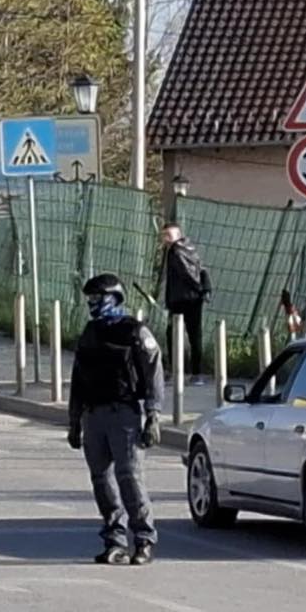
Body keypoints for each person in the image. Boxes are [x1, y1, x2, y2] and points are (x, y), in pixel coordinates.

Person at [67, 273, 163, 565]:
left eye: (97, 298)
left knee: (129, 477)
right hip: (93, 416)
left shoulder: (134, 331)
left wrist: (153, 415)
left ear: (114, 298)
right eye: (90, 299)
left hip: (124, 414)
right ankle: (114, 540)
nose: (92, 304)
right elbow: (78, 379)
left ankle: (144, 539)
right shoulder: (90, 332)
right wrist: (74, 420)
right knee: (102, 480)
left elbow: (153, 373)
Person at [160, 222, 212, 386]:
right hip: (195, 300)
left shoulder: (174, 251)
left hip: (180, 300)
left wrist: (197, 288)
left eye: (168, 235)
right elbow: (202, 269)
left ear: (177, 235)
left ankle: (174, 372)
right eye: (164, 235)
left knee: (173, 335)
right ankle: (197, 373)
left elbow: (186, 273)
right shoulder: (191, 248)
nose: (165, 239)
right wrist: (204, 289)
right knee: (195, 335)